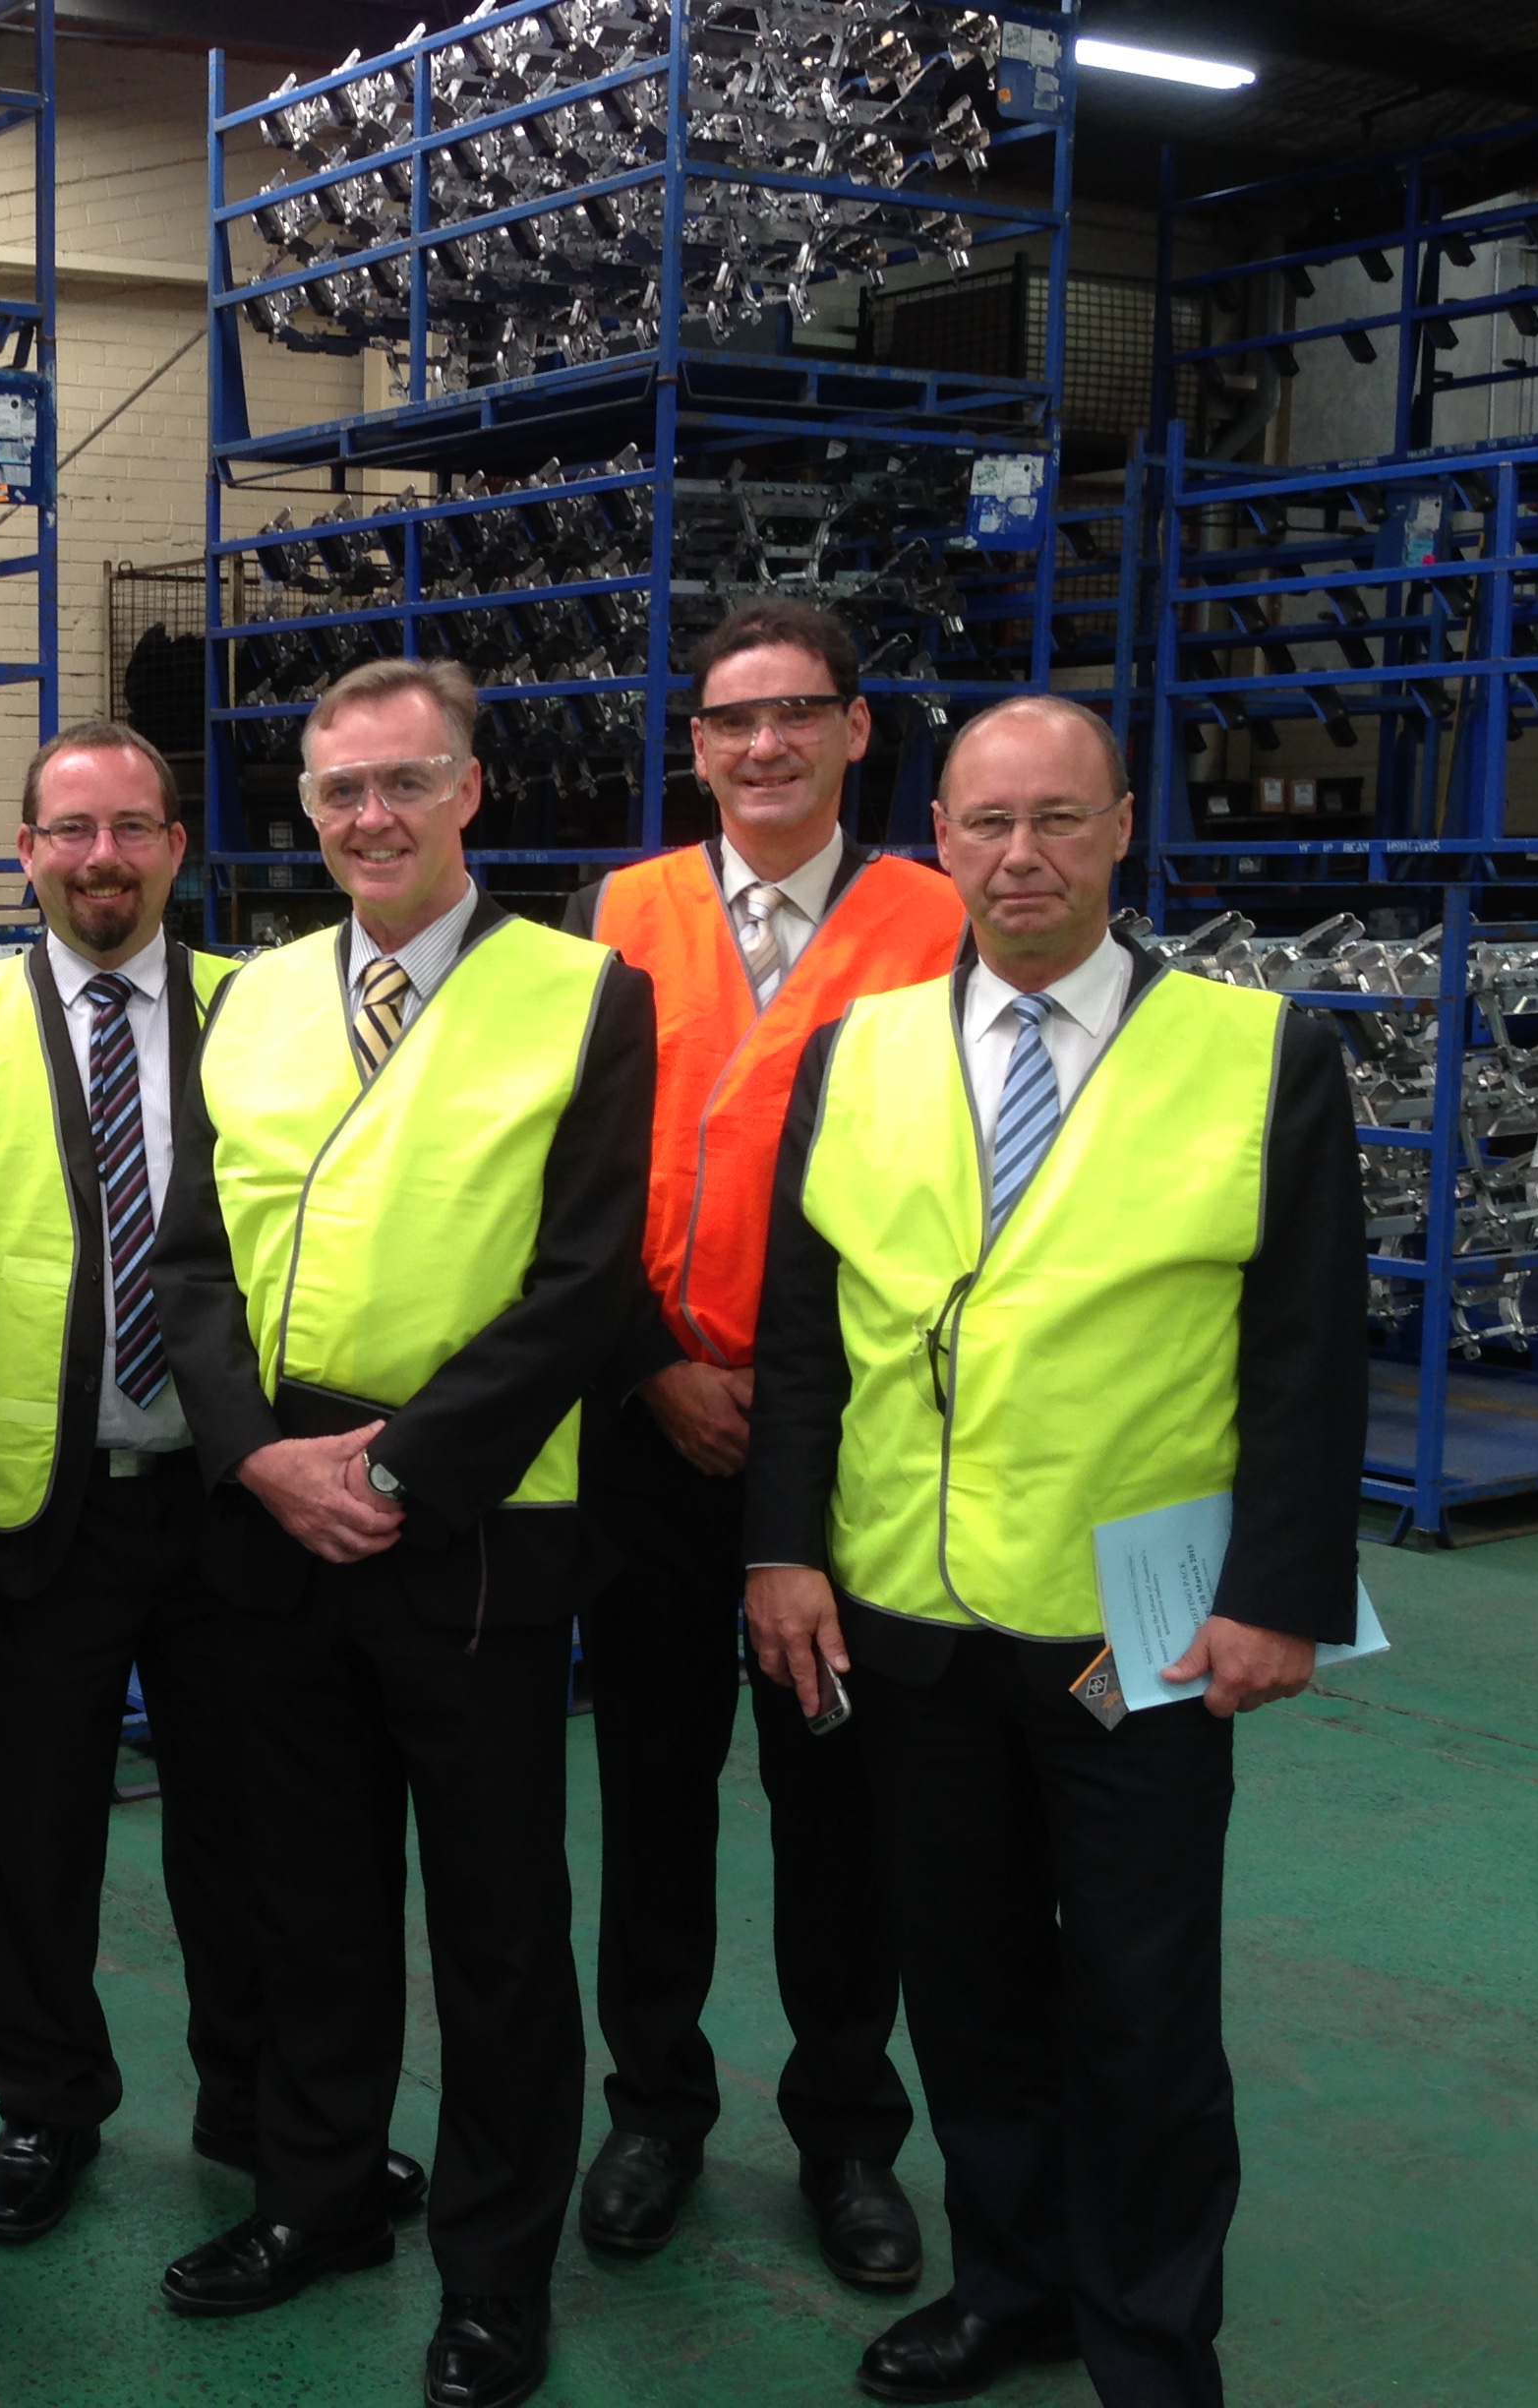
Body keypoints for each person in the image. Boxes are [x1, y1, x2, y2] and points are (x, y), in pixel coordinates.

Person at [745, 692, 1363, 2407]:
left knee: (1146, 2006)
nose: (1020, 856)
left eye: (1057, 820)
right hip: (911, 1625)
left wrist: (1279, 1598)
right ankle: (1010, 2282)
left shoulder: (1257, 1056)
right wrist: (781, 1551)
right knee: (972, 1990)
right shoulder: (856, 1051)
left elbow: (1308, 1357)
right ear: (936, 838)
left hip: (1136, 1641)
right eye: (985, 823)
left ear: (1117, 832)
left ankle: (1150, 2335)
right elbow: (809, 1340)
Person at [148, 655, 654, 2408]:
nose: (371, 817)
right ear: (307, 808)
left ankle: (497, 2272)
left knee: (499, 1927)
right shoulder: (256, 999)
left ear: (470, 795)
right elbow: (194, 1264)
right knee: (311, 1901)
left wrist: (398, 1471)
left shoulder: (584, 996)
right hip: (277, 1515)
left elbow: (584, 1285)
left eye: (406, 783)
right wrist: (256, 1457)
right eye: (340, 791)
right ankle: (321, 2198)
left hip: (474, 1524)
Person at [0, 720, 426, 2246]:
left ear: (176, 849)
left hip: (228, 1502)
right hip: (35, 1504)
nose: (102, 860)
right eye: (70, 831)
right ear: (25, 852)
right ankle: (44, 2104)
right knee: (34, 1832)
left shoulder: (263, 1013)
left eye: (133, 828)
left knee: (249, 1830)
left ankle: (256, 2102)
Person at [561, 599, 958, 2282]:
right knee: (650, 1783)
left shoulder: (943, 918)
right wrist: (649, 1363)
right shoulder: (621, 911)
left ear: (860, 731)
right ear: (697, 744)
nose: (766, 746)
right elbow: (566, 1171)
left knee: (840, 1798)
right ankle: (653, 2105)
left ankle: (848, 2135)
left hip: (850, 1433)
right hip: (653, 1419)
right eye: (733, 721)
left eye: (800, 713)